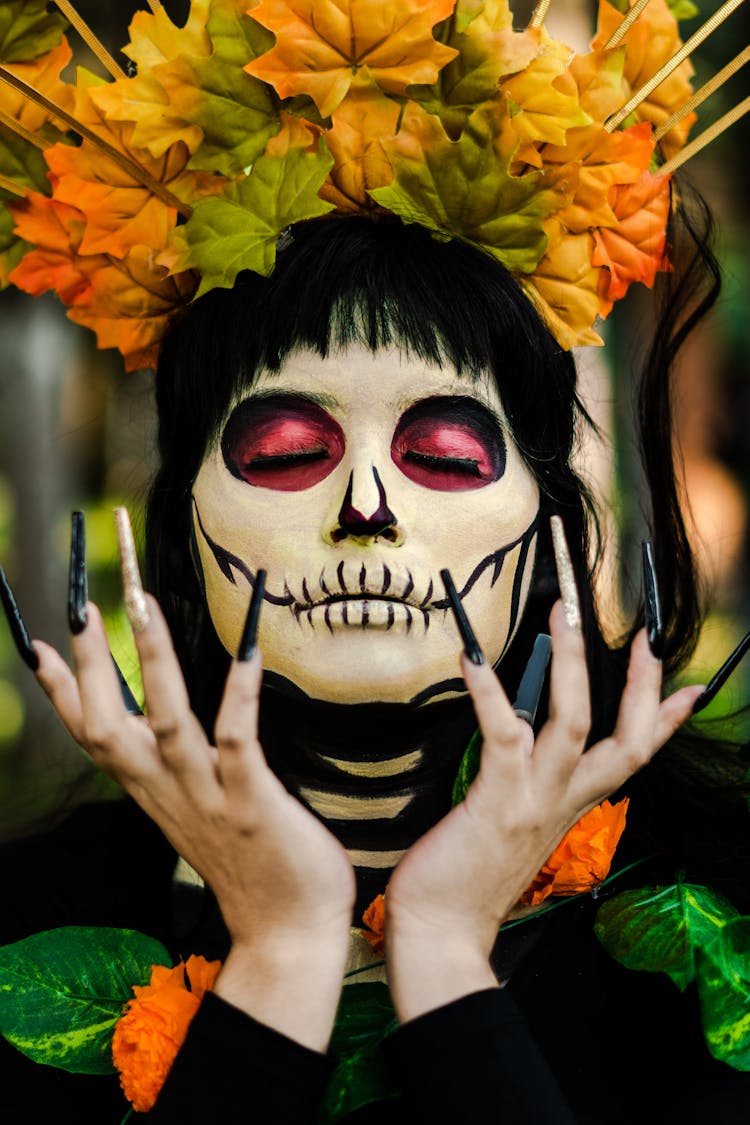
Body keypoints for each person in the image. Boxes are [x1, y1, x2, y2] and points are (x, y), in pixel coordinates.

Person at [0, 2, 749, 1123]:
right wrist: (283, 955)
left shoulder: (720, 916)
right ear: (178, 518)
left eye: (442, 453)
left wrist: (444, 951)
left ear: (550, 515)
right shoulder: (27, 918)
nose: (365, 505)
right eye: (289, 450)